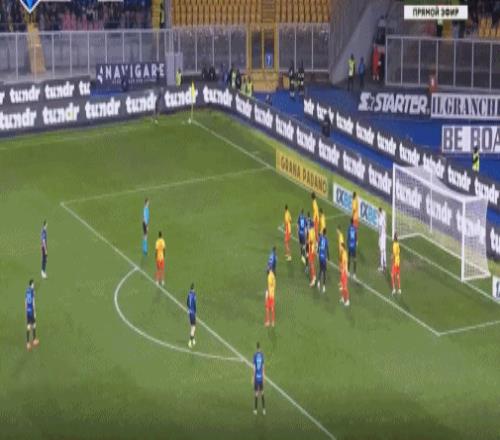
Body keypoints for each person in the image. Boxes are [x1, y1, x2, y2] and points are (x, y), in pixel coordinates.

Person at [25, 279, 39, 351]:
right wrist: (34, 312)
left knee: (28, 326)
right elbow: (33, 302)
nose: (34, 285)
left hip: (28, 311)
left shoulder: (27, 291)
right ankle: (34, 340)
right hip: (32, 311)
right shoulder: (32, 291)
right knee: (34, 325)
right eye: (33, 284)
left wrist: (26, 310)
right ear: (31, 284)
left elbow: (25, 302)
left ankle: (27, 343)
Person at [252, 342, 266, 415]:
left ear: (256, 348)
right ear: (260, 348)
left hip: (256, 378)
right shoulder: (262, 355)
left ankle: (255, 410)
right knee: (262, 393)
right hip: (261, 377)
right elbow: (263, 368)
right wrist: (263, 377)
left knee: (256, 393)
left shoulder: (255, 355)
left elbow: (254, 369)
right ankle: (264, 409)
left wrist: (253, 377)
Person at [317, 228, 330, 293]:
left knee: (320, 269)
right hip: (324, 257)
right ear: (326, 233)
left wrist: (317, 251)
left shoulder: (321, 238)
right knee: (324, 272)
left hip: (320, 256)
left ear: (323, 232)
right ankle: (324, 287)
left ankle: (319, 282)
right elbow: (327, 248)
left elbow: (319, 245)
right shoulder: (326, 239)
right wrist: (328, 257)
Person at [307, 217, 316, 287]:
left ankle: (313, 279)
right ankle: (314, 276)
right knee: (311, 264)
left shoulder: (311, 231)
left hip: (311, 250)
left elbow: (311, 241)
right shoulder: (313, 230)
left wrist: (308, 242)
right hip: (313, 249)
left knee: (311, 264)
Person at [187, 283, 197, 348]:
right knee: (193, 327)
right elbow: (194, 303)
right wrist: (195, 311)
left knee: (192, 326)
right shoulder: (194, 295)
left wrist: (189, 309)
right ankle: (190, 341)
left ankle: (193, 339)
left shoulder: (189, 294)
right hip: (193, 313)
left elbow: (187, 303)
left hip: (189, 312)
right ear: (193, 289)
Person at [378, 207, 387, 272]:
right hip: (384, 235)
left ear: (379, 211)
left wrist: (379, 238)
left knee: (381, 251)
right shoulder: (383, 216)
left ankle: (381, 266)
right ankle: (385, 264)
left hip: (382, 235)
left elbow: (380, 228)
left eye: (378, 211)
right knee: (384, 250)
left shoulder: (380, 219)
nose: (377, 213)